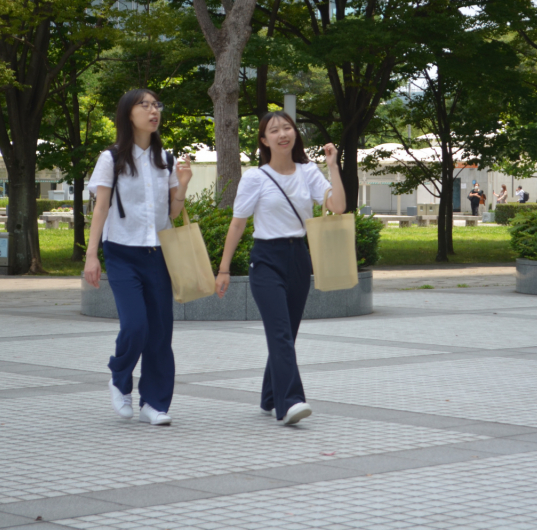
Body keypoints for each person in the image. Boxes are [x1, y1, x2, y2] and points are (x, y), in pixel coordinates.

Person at [214, 111, 346, 425]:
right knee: (281, 333)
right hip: (266, 260)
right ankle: (290, 402)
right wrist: (223, 269)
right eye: (274, 130)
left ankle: (269, 396)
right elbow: (238, 224)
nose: (282, 134)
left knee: (288, 333)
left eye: (287, 128)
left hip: (299, 257)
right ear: (264, 140)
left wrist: (332, 166)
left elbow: (338, 207)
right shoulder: (255, 177)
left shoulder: (308, 171)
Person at [84, 88, 193, 426]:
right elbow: (101, 207)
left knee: (160, 332)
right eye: (143, 105)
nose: (152, 110)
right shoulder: (112, 157)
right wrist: (91, 255)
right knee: (135, 326)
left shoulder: (167, 160)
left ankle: (155, 402)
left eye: (155, 105)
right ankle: (119, 377)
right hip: (121, 254)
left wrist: (183, 186)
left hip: (158, 254)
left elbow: (173, 212)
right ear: (127, 114)